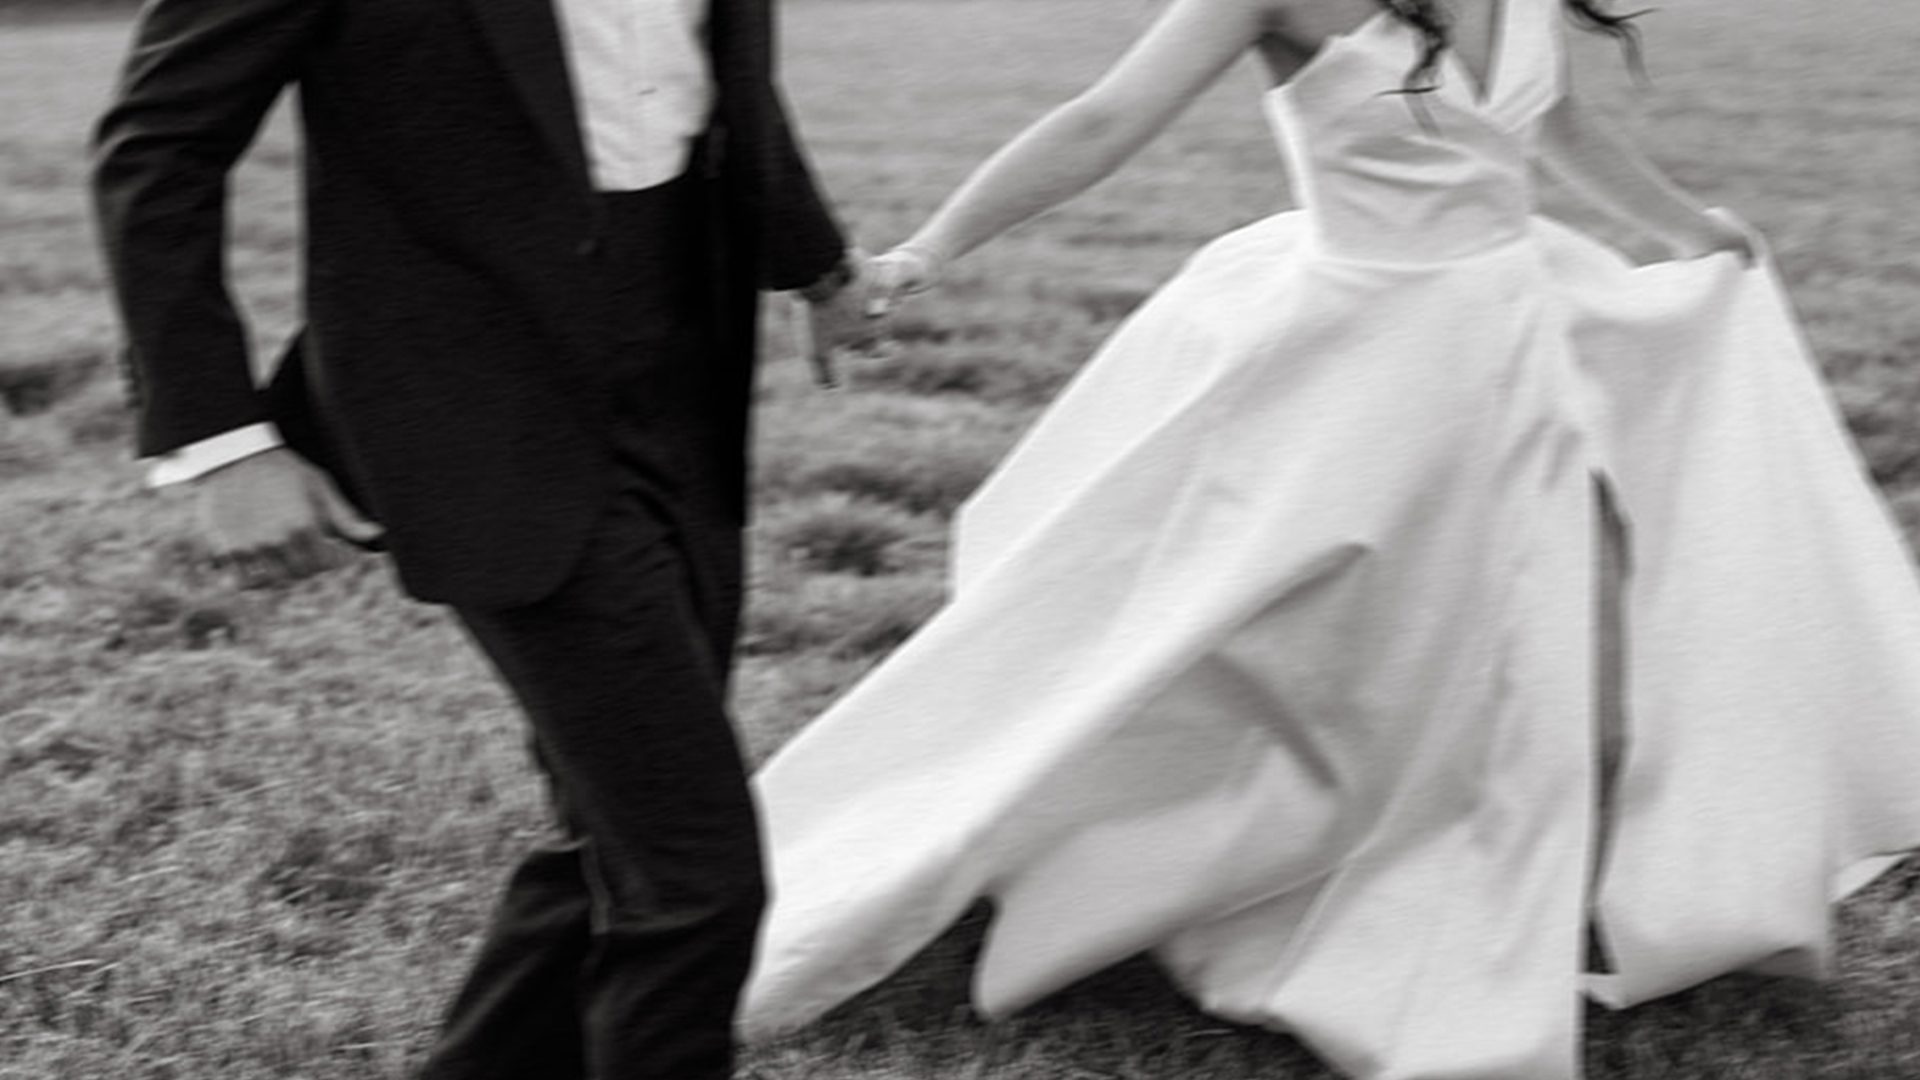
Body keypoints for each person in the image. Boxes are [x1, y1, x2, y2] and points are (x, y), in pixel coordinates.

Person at [740, 0, 1920, 1076]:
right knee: (1277, 638)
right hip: (1360, 349)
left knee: (1528, 630)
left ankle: (1499, 862)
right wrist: (925, 253)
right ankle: (1213, 855)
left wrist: (1682, 224)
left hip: (1508, 337)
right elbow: (1103, 119)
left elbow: (1555, 116)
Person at [89, 0, 876, 1077]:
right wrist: (224, 444)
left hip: (684, 378)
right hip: (469, 399)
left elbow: (725, 78)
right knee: (695, 876)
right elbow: (159, 149)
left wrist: (817, 267)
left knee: (621, 831)